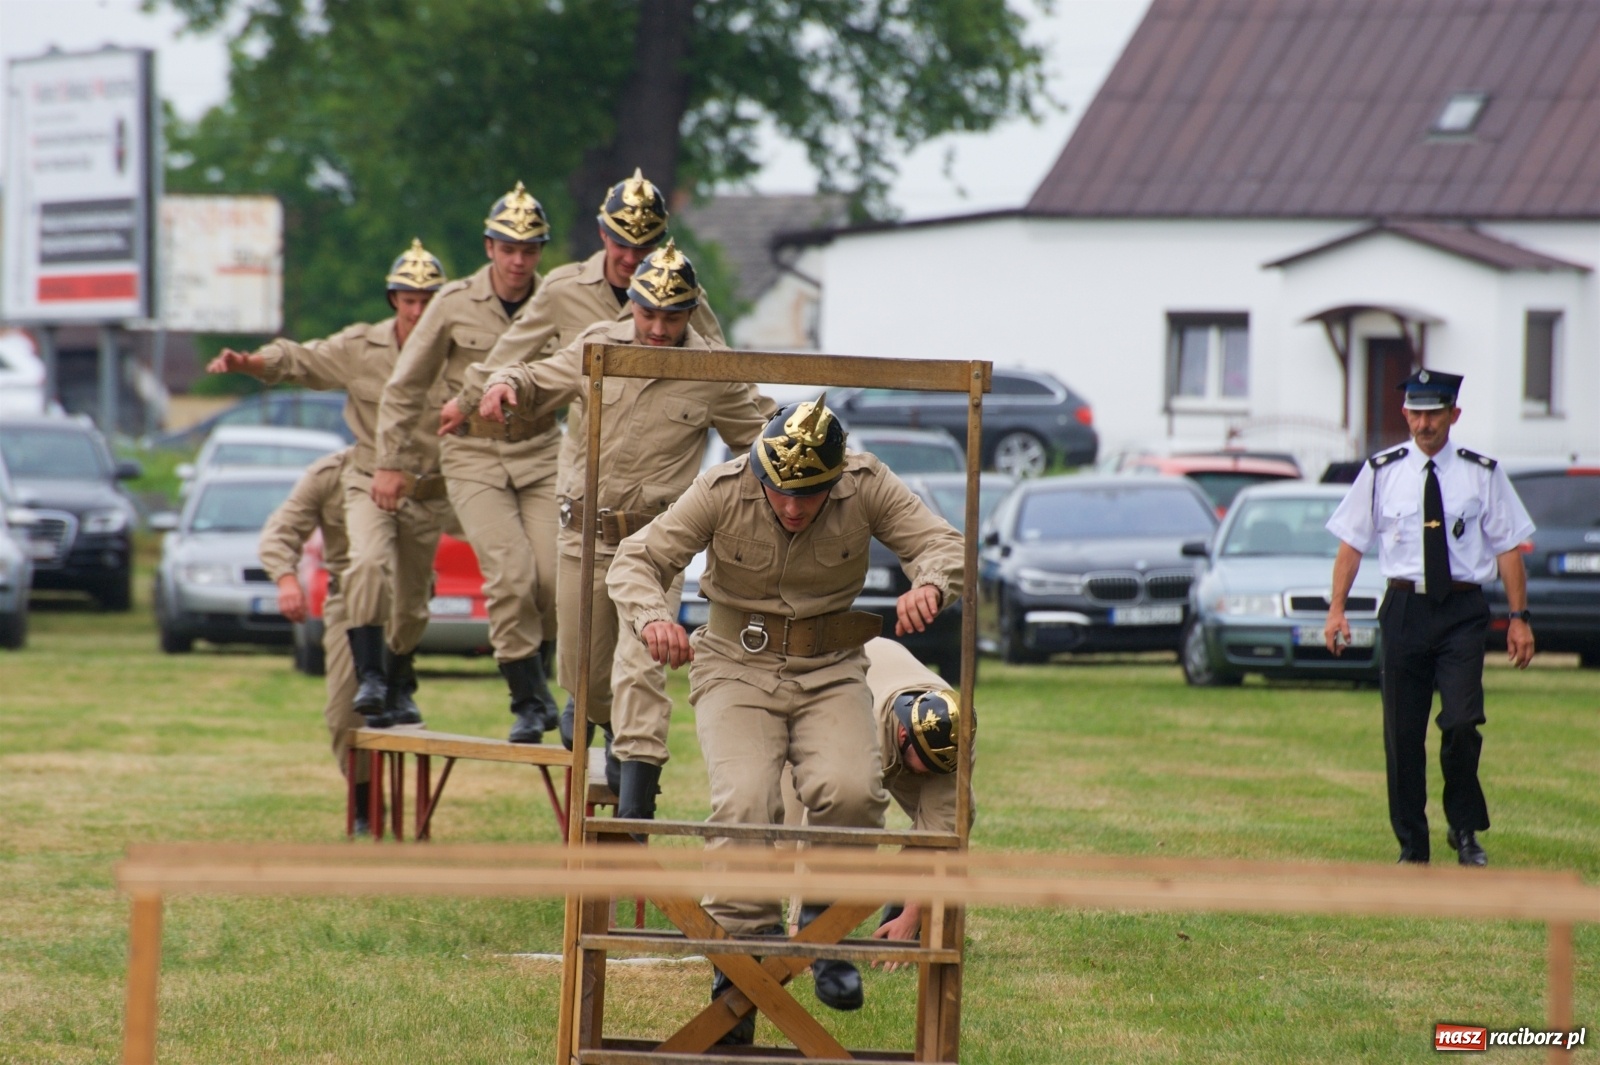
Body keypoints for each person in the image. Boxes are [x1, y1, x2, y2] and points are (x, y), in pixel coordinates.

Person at [606, 395, 964, 1028]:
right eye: (780, 493)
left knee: (853, 792)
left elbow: (941, 541)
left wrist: (932, 582)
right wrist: (654, 616)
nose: (793, 508)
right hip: (735, 665)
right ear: (761, 469)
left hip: (831, 666)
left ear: (834, 479)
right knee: (746, 802)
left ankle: (827, 938)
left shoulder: (866, 483)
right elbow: (639, 557)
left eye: (810, 495)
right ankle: (739, 967)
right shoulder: (721, 488)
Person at [479, 240, 773, 821]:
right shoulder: (597, 346)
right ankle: (602, 719)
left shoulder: (714, 370)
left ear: (693, 312)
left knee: (641, 667)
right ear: (630, 305)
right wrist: (504, 383)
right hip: (582, 536)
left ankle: (634, 813)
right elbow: (539, 374)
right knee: (582, 673)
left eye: (673, 315)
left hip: (655, 545)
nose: (659, 328)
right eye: (648, 313)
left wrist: (808, 460)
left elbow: (764, 437)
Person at [450, 167, 725, 747]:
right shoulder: (565, 294)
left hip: (656, 515)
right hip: (587, 481)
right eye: (622, 243)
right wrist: (476, 397)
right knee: (581, 661)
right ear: (603, 235)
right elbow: (516, 354)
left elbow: (725, 382)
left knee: (638, 663)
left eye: (645, 245)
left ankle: (631, 782)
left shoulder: (687, 302)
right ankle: (557, 700)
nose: (632, 257)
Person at [209, 239, 454, 729]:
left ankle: (399, 677)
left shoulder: (458, 354)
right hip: (368, 479)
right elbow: (304, 360)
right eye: (409, 300)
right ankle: (371, 677)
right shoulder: (364, 348)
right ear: (394, 301)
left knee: (410, 607)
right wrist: (250, 364)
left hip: (427, 493)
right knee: (364, 563)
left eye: (428, 302)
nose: (418, 311)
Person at [1323, 369, 1535, 866]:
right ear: (1405, 415)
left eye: (1434, 413)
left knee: (1461, 723)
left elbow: (1507, 548)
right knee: (1402, 734)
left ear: (1452, 415)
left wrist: (1520, 617)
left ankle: (1464, 830)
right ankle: (1412, 845)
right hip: (1404, 609)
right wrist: (1336, 608)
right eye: (1416, 413)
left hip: (1461, 611)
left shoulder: (1481, 472)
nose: (1424, 424)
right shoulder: (1382, 471)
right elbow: (1351, 545)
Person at [377, 181, 564, 743]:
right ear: (489, 247)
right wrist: (389, 460)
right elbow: (404, 385)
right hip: (474, 452)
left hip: (541, 448)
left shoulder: (556, 298)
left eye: (529, 250)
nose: (518, 261)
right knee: (510, 573)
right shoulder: (453, 302)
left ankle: (548, 671)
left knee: (557, 576)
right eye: (507, 248)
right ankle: (528, 699)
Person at [778, 636, 972, 970]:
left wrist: (912, 918)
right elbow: (816, 825)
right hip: (825, 684)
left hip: (896, 687)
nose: (929, 776)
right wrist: (803, 925)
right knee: (788, 838)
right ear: (901, 737)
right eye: (924, 765)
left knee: (955, 820)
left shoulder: (956, 733)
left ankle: (912, 915)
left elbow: (943, 836)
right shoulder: (862, 728)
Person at [257, 447, 375, 833]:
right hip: (350, 599)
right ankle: (365, 804)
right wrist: (287, 578)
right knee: (343, 713)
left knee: (399, 712)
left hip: (409, 596)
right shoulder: (330, 473)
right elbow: (281, 531)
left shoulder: (427, 460)